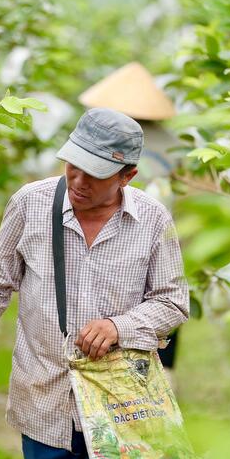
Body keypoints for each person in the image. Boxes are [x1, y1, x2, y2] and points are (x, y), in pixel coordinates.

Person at [0, 107, 190, 459]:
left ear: (127, 176)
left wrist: (120, 327)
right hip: (44, 396)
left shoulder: (152, 220)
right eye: (73, 166)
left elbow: (173, 302)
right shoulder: (31, 205)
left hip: (120, 405)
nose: (77, 181)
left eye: (93, 175)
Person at [77, 62, 184, 386]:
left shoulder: (102, 142)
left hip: (117, 229)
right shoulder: (173, 142)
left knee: (113, 309)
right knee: (160, 304)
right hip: (164, 234)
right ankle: (156, 385)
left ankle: (101, 381)